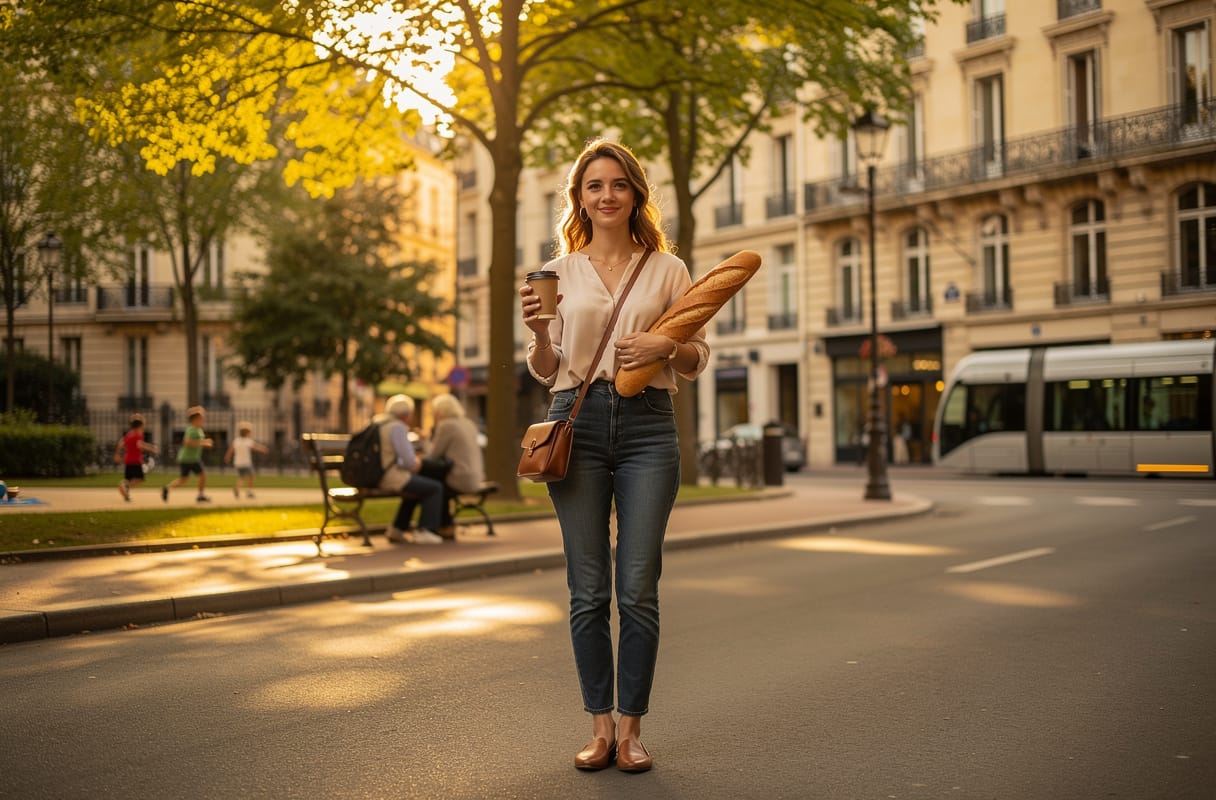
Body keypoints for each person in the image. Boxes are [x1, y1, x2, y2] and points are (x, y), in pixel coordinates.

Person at [518, 139, 709, 774]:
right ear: (580, 197)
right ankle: (598, 727)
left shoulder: (668, 270)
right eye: (593, 185)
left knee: (637, 588)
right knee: (587, 589)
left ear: (635, 194)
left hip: (650, 427)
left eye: (618, 184)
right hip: (577, 420)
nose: (606, 195)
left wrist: (663, 343)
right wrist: (541, 333)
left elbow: (696, 357)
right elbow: (549, 372)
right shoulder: (558, 271)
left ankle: (632, 730)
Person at [399, 393, 485, 540]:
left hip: (459, 477)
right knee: (433, 482)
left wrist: (424, 440)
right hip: (476, 476)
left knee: (428, 483)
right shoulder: (468, 423)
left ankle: (417, 526)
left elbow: (434, 454)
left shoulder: (446, 425)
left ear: (439, 411)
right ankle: (444, 525)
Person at [377, 394, 445, 545]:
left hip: (374, 475)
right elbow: (409, 462)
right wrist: (418, 461)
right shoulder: (398, 427)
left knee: (415, 489)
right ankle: (425, 530)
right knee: (435, 487)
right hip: (389, 477)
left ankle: (397, 528)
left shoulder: (378, 422)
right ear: (405, 415)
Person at [162, 406, 213, 503]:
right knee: (202, 475)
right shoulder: (191, 429)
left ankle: (167, 488)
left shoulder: (199, 430)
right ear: (195, 419)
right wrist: (203, 443)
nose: (203, 420)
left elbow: (197, 441)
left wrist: (204, 441)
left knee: (183, 480)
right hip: (189, 458)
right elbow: (187, 442)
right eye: (201, 418)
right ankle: (200, 496)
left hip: (191, 458)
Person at [114, 413, 159, 501]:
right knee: (140, 479)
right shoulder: (138, 435)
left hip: (128, 460)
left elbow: (120, 444)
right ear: (140, 425)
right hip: (136, 460)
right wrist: (152, 448)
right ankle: (125, 485)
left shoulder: (129, 435)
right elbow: (140, 445)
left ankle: (126, 495)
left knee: (129, 479)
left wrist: (117, 454)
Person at [224, 422, 270, 499]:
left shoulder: (236, 440)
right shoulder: (248, 441)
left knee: (242, 477)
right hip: (246, 463)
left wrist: (227, 457)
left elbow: (231, 450)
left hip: (238, 463)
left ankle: (237, 488)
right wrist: (263, 449)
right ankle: (249, 491)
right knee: (252, 475)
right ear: (246, 433)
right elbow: (256, 446)